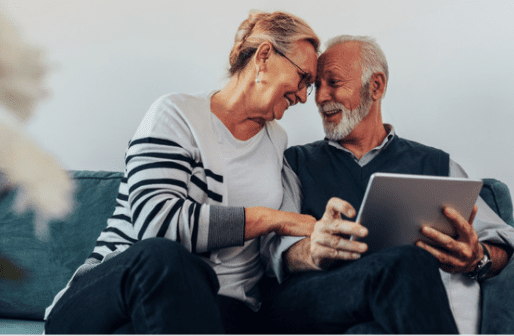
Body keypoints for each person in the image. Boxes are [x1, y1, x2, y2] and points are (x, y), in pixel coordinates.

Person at [44, 10, 320, 334]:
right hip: (115, 298)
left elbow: (281, 245)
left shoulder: (277, 143)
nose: (303, 96)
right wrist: (274, 218)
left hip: (215, 311)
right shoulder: (175, 114)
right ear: (264, 56)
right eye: (303, 78)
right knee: (163, 256)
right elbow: (159, 226)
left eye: (309, 87)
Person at [266, 35, 514, 334]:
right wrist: (312, 250)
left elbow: (502, 242)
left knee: (406, 270)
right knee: (408, 261)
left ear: (376, 86)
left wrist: (478, 258)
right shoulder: (295, 163)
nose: (319, 97)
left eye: (333, 82)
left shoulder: (438, 165)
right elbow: (275, 251)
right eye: (317, 85)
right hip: (315, 297)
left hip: (399, 303)